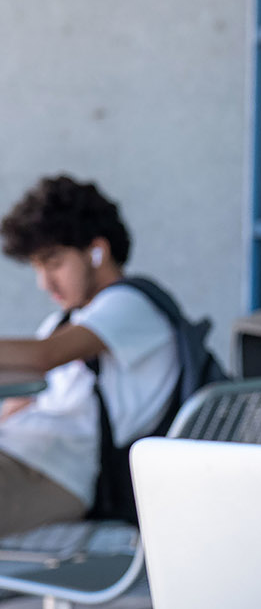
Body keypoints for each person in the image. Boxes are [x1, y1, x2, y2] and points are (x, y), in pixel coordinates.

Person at [0, 175, 178, 536]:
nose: (44, 283)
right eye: (37, 267)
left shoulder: (131, 306)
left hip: (57, 474)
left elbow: (44, 357)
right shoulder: (63, 321)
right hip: (19, 455)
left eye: (53, 263)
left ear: (97, 251)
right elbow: (19, 400)